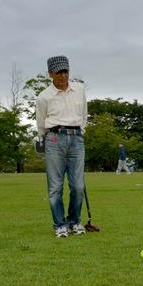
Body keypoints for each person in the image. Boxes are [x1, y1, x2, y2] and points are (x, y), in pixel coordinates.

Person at [36, 55, 88, 238]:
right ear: (51, 74)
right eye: (59, 72)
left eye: (65, 71)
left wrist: (79, 133)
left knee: (78, 186)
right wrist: (45, 142)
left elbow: (84, 116)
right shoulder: (44, 97)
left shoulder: (80, 90)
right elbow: (41, 124)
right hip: (54, 139)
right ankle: (60, 224)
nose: (63, 76)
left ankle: (74, 222)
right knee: (55, 187)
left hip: (77, 139)